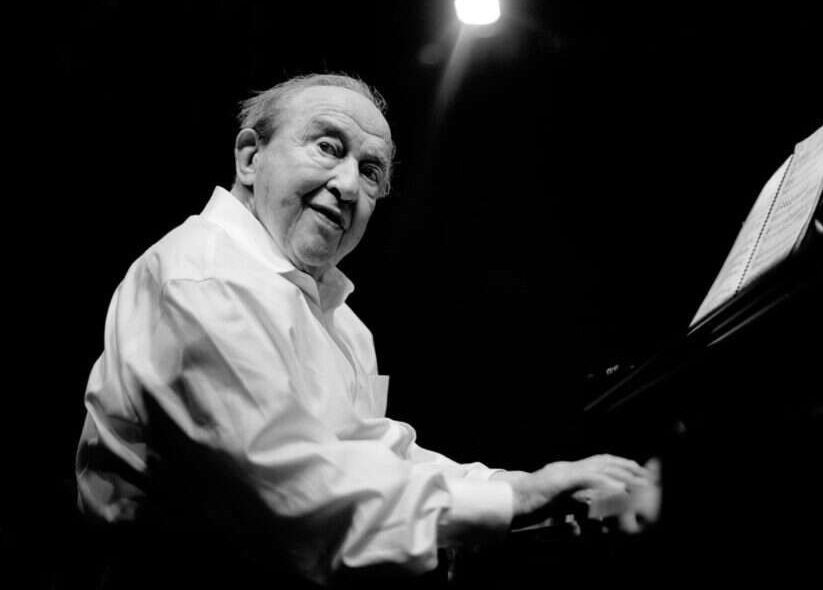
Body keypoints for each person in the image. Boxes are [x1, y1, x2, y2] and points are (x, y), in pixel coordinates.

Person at [75, 73, 660, 588]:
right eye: (328, 147)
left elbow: (380, 457)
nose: (350, 186)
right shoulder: (203, 278)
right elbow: (294, 500)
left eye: (371, 171)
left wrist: (526, 485)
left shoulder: (342, 321)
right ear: (250, 157)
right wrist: (515, 499)